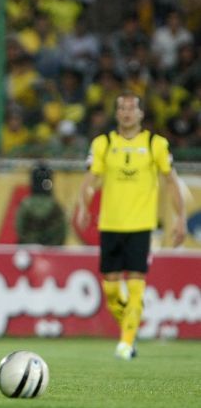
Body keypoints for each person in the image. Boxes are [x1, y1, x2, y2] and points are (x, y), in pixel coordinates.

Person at [75, 93, 186, 360]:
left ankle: (125, 343)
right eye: (122, 108)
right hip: (110, 224)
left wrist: (180, 217)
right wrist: (82, 206)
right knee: (111, 291)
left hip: (141, 225)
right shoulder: (103, 143)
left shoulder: (154, 144)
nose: (126, 112)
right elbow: (90, 179)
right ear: (116, 113)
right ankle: (131, 329)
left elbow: (172, 182)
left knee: (136, 285)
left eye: (131, 108)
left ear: (140, 114)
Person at [15, 163, 67, 246]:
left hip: (29, 248)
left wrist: (30, 242)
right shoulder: (56, 206)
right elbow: (62, 233)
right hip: (52, 250)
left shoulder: (25, 205)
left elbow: (20, 229)